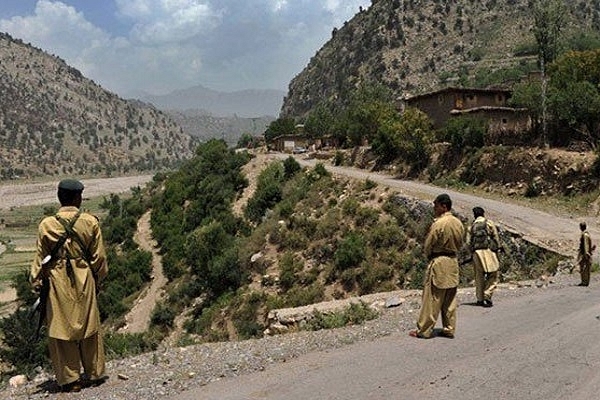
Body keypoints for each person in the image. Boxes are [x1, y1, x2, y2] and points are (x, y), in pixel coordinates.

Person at [30, 179, 108, 392]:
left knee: (61, 329)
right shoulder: (90, 222)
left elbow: (40, 258)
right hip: (85, 276)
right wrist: (98, 279)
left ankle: (70, 379)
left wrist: (36, 282)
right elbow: (99, 257)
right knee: (90, 325)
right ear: (77, 198)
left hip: (57, 280)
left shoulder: (46, 224)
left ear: (59, 197)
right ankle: (94, 373)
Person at [410, 193, 464, 339]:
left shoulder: (439, 223)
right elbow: (461, 243)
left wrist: (428, 255)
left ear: (443, 206)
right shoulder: (458, 223)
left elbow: (429, 244)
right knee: (450, 299)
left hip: (439, 262)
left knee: (432, 298)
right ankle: (449, 328)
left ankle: (424, 330)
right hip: (453, 262)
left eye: (436, 205)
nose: (434, 208)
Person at [468, 206, 502, 307]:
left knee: (479, 276)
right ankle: (487, 295)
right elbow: (495, 237)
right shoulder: (489, 223)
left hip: (476, 254)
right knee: (493, 274)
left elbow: (468, 242)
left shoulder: (471, 226)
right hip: (488, 252)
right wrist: (498, 248)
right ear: (483, 213)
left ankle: (479, 299)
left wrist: (471, 253)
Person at [577, 221, 593, 286]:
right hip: (586, 253)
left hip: (584, 253)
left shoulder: (585, 235)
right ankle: (585, 281)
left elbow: (586, 244)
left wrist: (586, 253)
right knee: (585, 267)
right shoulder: (587, 234)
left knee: (584, 267)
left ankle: (585, 281)